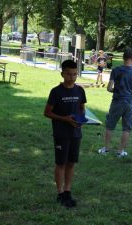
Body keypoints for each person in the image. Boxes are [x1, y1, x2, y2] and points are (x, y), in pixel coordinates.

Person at [44, 60, 87, 207]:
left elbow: (81, 108)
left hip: (76, 133)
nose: (72, 77)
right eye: (69, 74)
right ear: (62, 73)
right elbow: (47, 112)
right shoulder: (56, 92)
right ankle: (60, 193)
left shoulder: (80, 90)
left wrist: (81, 119)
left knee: (71, 163)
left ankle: (68, 191)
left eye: (75, 74)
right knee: (61, 163)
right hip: (61, 133)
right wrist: (65, 119)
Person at [98, 49, 132, 157]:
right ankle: (120, 151)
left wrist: (116, 90)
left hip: (117, 101)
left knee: (110, 125)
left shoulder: (115, 70)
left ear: (123, 58)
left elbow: (109, 88)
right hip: (130, 103)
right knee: (127, 128)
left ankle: (106, 149)